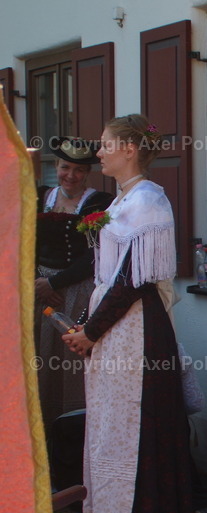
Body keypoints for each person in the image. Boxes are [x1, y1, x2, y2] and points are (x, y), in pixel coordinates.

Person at [63, 114, 194, 513]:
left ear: (130, 148)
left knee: (136, 428)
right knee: (110, 428)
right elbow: (109, 277)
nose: (99, 152)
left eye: (105, 144)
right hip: (116, 328)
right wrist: (86, 324)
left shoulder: (149, 201)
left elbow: (133, 282)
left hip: (136, 331)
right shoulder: (122, 200)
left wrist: (91, 330)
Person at [35, 137, 114, 436]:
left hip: (77, 291)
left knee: (71, 362)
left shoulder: (99, 203)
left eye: (79, 169)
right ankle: (42, 436)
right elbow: (22, 241)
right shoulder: (41, 196)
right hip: (38, 291)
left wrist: (55, 282)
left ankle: (73, 433)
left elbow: (96, 254)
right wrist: (37, 281)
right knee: (41, 363)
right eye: (65, 166)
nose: (71, 175)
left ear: (88, 172)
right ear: (55, 165)